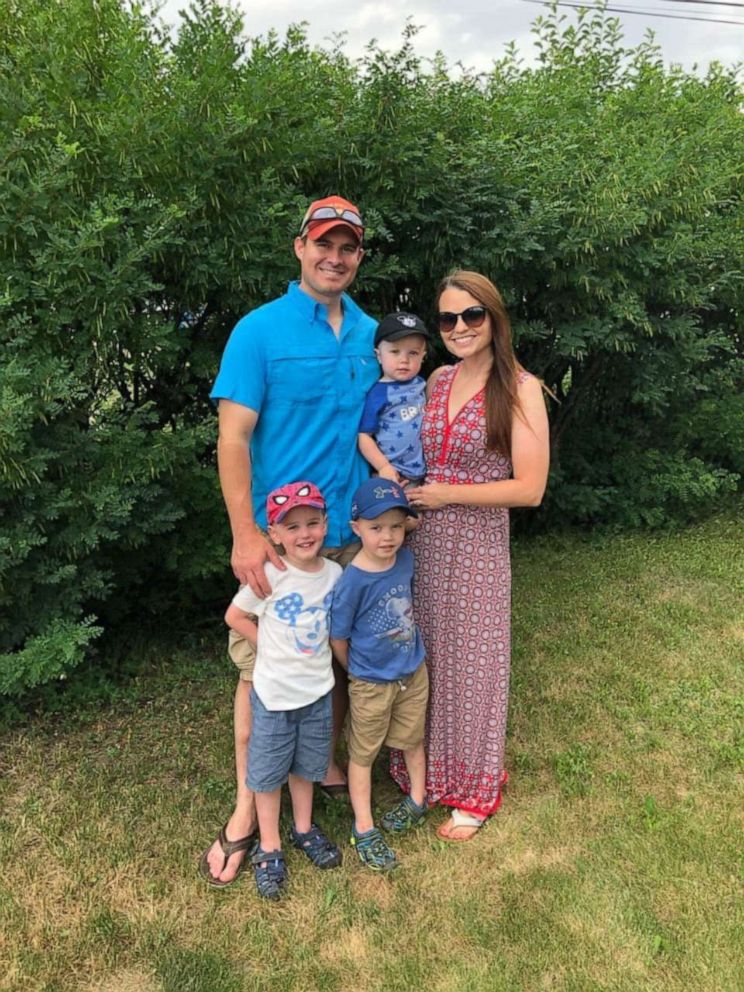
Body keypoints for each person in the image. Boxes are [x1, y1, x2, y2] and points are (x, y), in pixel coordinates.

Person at [201, 195, 378, 885]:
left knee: (326, 662)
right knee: (260, 675)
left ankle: (319, 767)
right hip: (282, 542)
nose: (335, 257)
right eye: (323, 243)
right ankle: (249, 807)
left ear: (359, 255)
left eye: (349, 247)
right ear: (299, 247)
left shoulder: (371, 333)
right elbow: (233, 437)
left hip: (351, 539)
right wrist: (246, 534)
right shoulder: (259, 331)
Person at [390, 270, 550, 841]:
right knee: (425, 659)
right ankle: (424, 774)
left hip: (477, 544)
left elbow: (529, 488)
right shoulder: (434, 380)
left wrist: (446, 493)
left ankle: (473, 791)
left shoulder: (521, 388)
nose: (459, 327)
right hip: (422, 543)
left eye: (471, 315)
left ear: (494, 318)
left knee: (475, 665)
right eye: (448, 319)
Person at [223, 481, 343, 900]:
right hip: (274, 698)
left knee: (307, 767)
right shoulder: (271, 573)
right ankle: (270, 845)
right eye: (291, 527)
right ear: (274, 534)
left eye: (312, 523)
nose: (304, 534)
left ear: (326, 525)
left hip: (317, 693)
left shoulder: (333, 574)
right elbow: (234, 616)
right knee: (268, 773)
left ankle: (304, 829)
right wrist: (267, 645)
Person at [330, 478, 428, 871]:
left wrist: (404, 507)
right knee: (363, 753)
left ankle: (418, 801)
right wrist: (355, 670)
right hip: (371, 680)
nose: (387, 537)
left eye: (395, 527)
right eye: (376, 528)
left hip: (412, 671)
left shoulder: (405, 558)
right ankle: (365, 826)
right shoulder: (352, 580)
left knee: (412, 739)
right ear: (356, 528)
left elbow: (407, 521)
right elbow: (338, 636)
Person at [358, 312, 429, 484]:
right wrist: (383, 467)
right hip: (395, 476)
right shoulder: (378, 393)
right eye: (395, 351)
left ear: (423, 356)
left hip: (427, 475)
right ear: (379, 355)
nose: (403, 360)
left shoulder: (422, 384)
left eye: (413, 353)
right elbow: (364, 436)